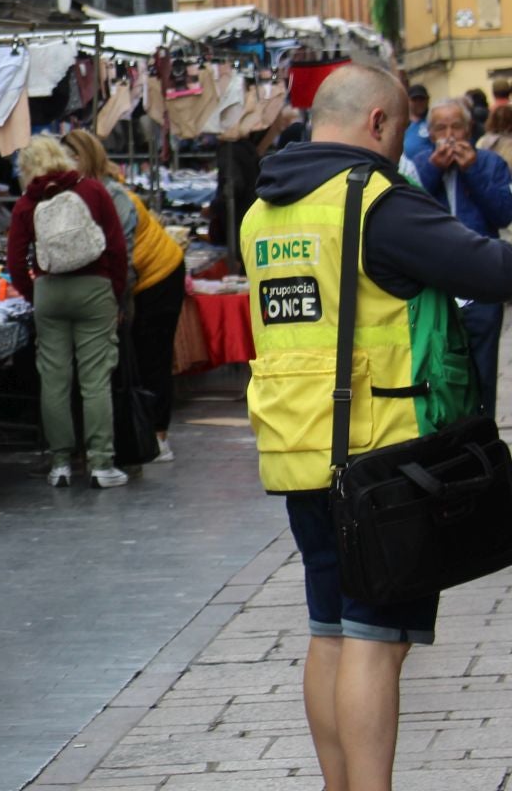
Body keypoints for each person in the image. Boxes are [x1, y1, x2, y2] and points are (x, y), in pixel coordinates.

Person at [242, 65, 512, 791]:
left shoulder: (265, 210)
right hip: (384, 454)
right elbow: (490, 269)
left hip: (301, 451)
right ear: (379, 125)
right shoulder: (373, 200)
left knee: (328, 629)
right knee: (374, 637)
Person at [6, 136, 130, 489]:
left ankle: (60, 463)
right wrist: (113, 291)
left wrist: (36, 294)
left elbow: (16, 262)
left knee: (54, 379)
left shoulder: (27, 203)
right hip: (95, 289)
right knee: (95, 378)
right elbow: (118, 247)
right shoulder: (92, 190)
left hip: (49, 291)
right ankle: (101, 463)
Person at [63, 129, 190, 462]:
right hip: (132, 279)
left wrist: (119, 304)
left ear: (87, 157)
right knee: (135, 357)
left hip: (160, 275)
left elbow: (122, 258)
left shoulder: (115, 196)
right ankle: (135, 434)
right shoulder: (77, 193)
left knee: (153, 357)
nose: (66, 164)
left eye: (73, 156)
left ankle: (159, 437)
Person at [409, 97, 512, 416]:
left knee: (482, 366)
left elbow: (502, 214)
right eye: (441, 128)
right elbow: (410, 210)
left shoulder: (491, 164)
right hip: (436, 285)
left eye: (456, 127)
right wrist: (433, 169)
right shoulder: (418, 164)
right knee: (439, 366)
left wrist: (473, 171)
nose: (449, 135)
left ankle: (484, 435)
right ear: (431, 132)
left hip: (479, 284)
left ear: (469, 129)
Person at [403, 82, 432, 162]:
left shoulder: (433, 121)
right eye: (414, 100)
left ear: (427, 100)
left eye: (421, 99)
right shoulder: (402, 123)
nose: (418, 103)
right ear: (408, 101)